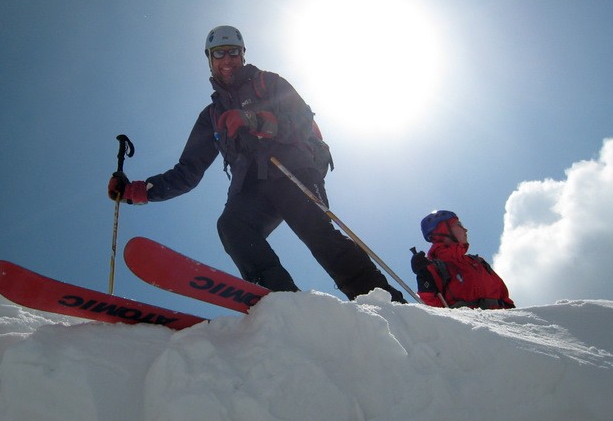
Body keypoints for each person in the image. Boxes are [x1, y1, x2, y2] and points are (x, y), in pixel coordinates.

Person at [109, 25, 406, 303]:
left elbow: (303, 122)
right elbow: (188, 171)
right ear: (209, 60)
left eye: (233, 52)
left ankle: (384, 301)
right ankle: (283, 302)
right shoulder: (211, 116)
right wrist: (137, 191)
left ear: (243, 54)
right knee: (232, 226)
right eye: (219, 54)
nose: (227, 60)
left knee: (316, 233)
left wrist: (255, 120)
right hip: (251, 187)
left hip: (291, 170)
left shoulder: (269, 83)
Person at [411, 210, 515, 309]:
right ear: (443, 230)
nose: (465, 229)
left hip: (503, 325)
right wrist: (423, 277)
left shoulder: (478, 262)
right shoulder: (433, 269)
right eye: (459, 224)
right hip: (467, 326)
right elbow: (433, 310)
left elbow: (505, 298)